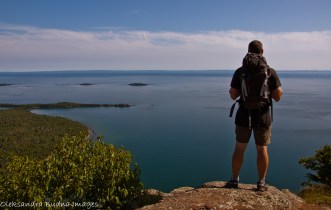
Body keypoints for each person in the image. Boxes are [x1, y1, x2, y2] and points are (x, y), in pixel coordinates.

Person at [227, 40, 283, 191]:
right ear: (262, 51)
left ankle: (234, 180)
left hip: (244, 114)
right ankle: (261, 182)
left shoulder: (240, 71)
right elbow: (278, 96)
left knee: (239, 148)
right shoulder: (269, 71)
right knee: (262, 149)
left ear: (248, 51)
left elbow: (233, 95)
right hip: (263, 115)